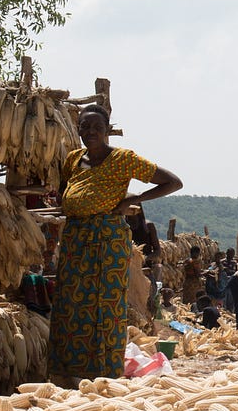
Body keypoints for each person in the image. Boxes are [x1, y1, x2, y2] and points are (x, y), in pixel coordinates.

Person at [47, 104, 182, 384]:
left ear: (108, 130)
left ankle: (103, 372)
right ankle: (69, 372)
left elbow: (173, 182)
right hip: (75, 241)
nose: (91, 132)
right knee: (70, 305)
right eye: (85, 126)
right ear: (78, 129)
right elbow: (64, 192)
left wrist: (134, 200)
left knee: (104, 306)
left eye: (97, 127)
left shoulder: (122, 160)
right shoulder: (73, 160)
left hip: (106, 241)